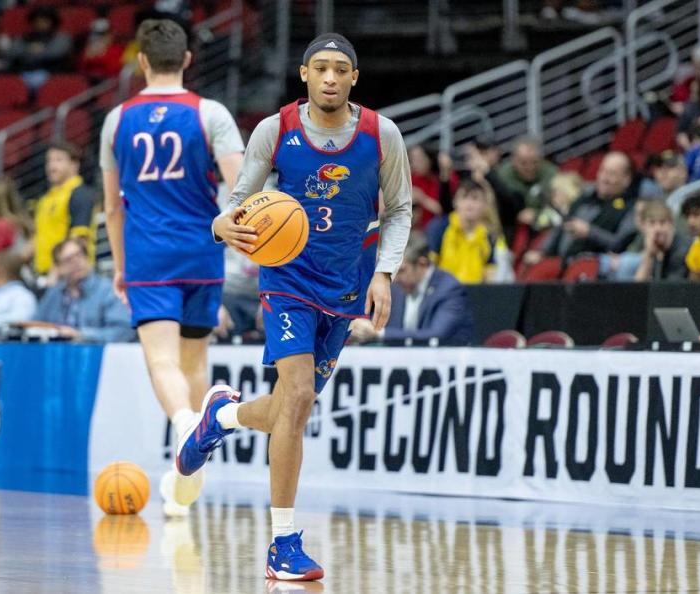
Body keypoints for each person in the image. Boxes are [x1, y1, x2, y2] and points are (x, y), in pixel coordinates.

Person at [205, 32, 411, 581]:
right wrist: (223, 224)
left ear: (353, 79)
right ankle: (282, 544)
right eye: (320, 68)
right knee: (295, 395)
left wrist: (385, 274)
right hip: (286, 279)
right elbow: (239, 203)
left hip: (344, 286)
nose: (329, 78)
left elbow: (400, 210)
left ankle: (221, 416)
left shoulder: (381, 134)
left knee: (289, 411)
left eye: (340, 70)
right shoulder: (275, 131)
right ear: (303, 74)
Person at [99, 20, 245, 516]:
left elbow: (112, 207)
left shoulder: (117, 120)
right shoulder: (211, 114)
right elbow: (242, 190)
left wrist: (120, 266)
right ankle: (187, 481)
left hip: (147, 255)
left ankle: (185, 426)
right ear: (186, 60)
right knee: (195, 362)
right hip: (203, 251)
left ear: (141, 61)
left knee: (161, 362)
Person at [348, 233, 472, 345]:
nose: (395, 279)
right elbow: (373, 322)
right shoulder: (396, 287)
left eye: (401, 271)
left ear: (422, 264)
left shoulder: (448, 289)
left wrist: (378, 334)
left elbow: (437, 335)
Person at [528, 151, 637, 262]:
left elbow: (620, 243)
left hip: (596, 269)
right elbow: (562, 225)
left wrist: (589, 232)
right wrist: (542, 252)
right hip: (564, 264)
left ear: (626, 179)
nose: (604, 178)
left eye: (612, 174)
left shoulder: (631, 208)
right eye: (602, 171)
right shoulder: (585, 197)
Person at [31, 238, 134, 342]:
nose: (76, 262)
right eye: (68, 260)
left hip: (97, 355)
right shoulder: (54, 294)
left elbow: (123, 332)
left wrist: (80, 335)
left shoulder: (108, 290)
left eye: (79, 255)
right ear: (58, 268)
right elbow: (36, 326)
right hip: (57, 353)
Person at [427, 180, 512, 283]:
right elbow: (429, 268)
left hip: (476, 294)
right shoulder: (439, 227)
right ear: (455, 202)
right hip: (445, 294)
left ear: (484, 204)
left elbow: (491, 274)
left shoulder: (489, 236)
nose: (469, 204)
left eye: (475, 198)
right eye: (464, 198)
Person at [33, 142, 96, 277]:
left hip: (70, 273)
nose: (51, 166)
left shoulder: (79, 194)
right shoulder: (45, 199)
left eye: (58, 160)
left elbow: (79, 238)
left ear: (74, 164)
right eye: (49, 161)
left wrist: (58, 270)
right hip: (45, 273)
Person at [1, 6, 73, 90]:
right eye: (37, 21)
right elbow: (11, 52)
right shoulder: (24, 37)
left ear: (53, 22)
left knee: (37, 80)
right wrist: (31, 50)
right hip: (23, 72)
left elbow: (55, 53)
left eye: (45, 21)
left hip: (50, 74)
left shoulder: (61, 37)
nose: (41, 24)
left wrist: (32, 52)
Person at [496, 136, 557, 228]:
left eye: (535, 162)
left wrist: (536, 214)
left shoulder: (552, 174)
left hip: (546, 227)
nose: (530, 168)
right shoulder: (502, 176)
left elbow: (561, 208)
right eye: (523, 163)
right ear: (514, 160)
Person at [633, 201, 691, 281]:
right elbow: (637, 289)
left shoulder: (683, 249)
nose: (658, 229)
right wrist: (649, 255)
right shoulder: (654, 248)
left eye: (662, 222)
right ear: (643, 226)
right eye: (652, 223)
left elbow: (670, 289)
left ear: (671, 224)